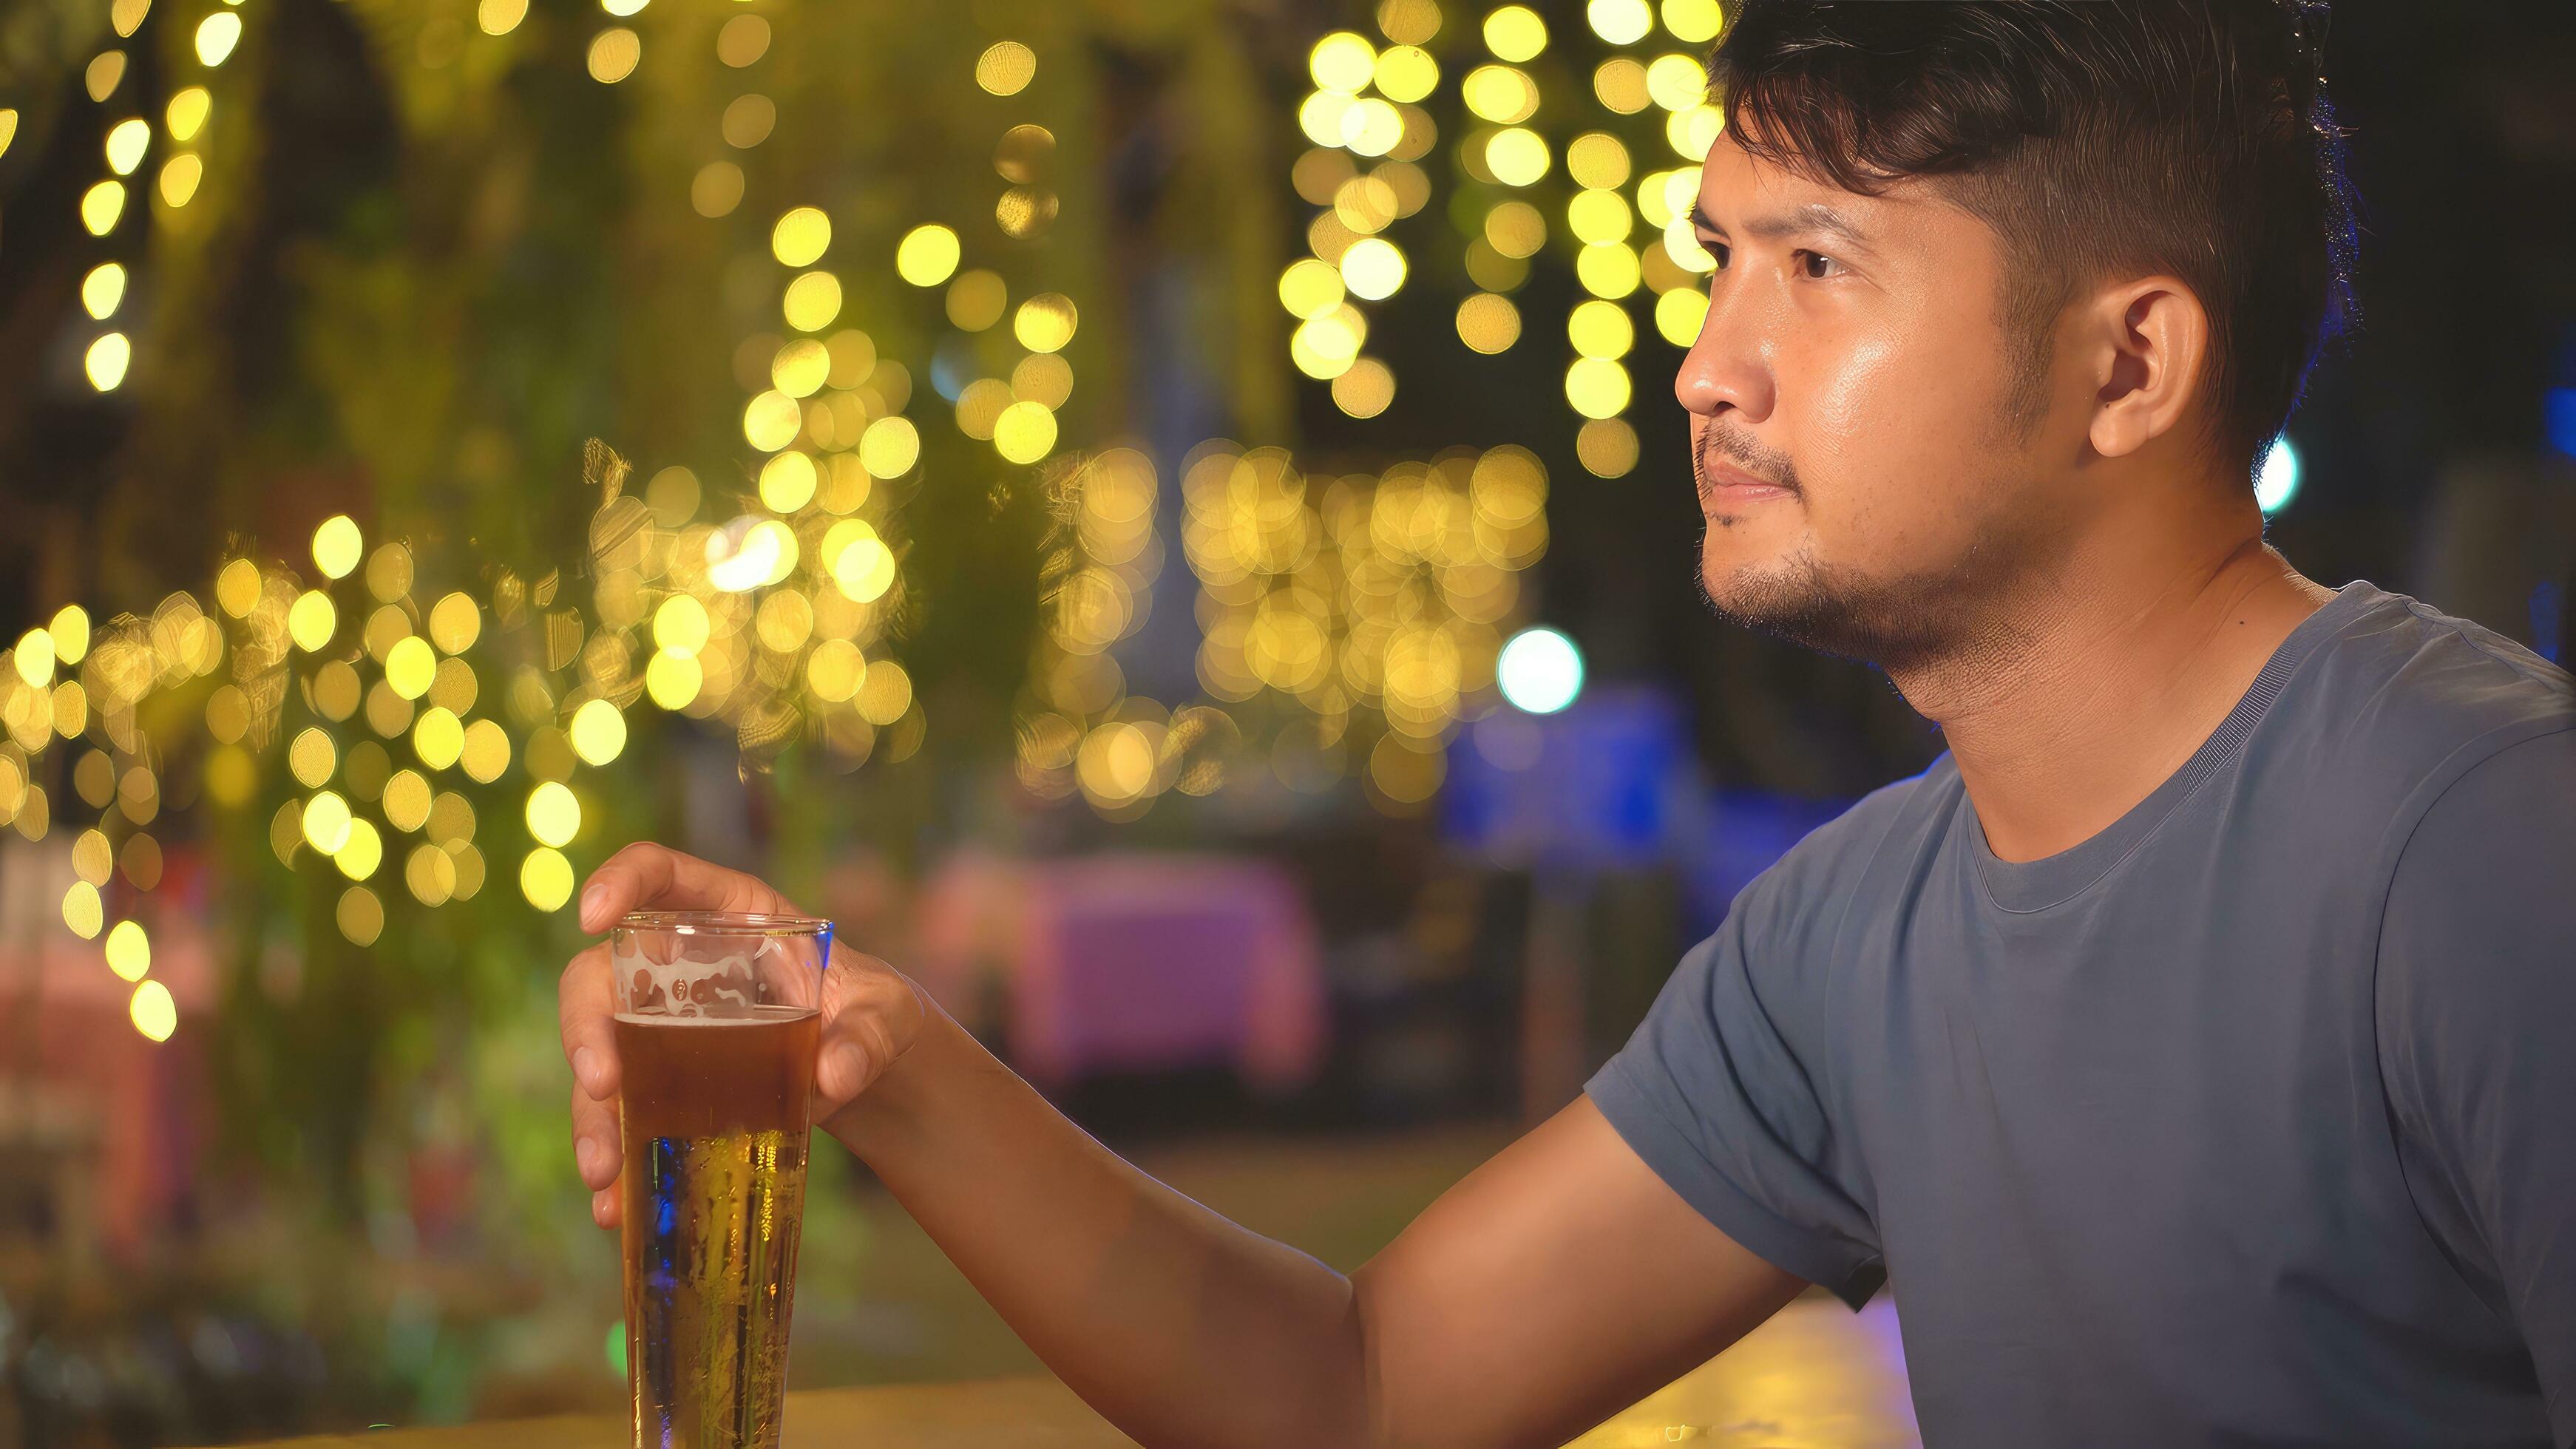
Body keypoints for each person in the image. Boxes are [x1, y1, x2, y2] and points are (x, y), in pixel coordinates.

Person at [557, 1, 2576, 1442]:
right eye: (1717, 261)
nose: (1707, 365)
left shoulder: (2474, 839)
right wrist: (878, 1059)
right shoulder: (1850, 937)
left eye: (1812, 265)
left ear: (2126, 361)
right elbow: (1361, 1394)